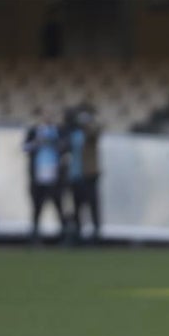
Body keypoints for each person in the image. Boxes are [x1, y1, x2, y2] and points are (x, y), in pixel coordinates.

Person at [22, 107, 66, 245]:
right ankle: (35, 237)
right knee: (37, 208)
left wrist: (54, 143)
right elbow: (24, 147)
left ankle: (63, 237)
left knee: (58, 206)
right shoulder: (34, 131)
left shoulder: (58, 131)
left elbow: (65, 146)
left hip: (54, 175)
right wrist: (37, 143)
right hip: (38, 175)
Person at [66, 102, 103, 242]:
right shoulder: (73, 133)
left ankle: (96, 234)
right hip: (75, 175)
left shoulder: (90, 131)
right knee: (77, 207)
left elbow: (96, 131)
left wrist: (89, 122)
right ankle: (77, 234)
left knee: (93, 205)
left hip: (89, 174)